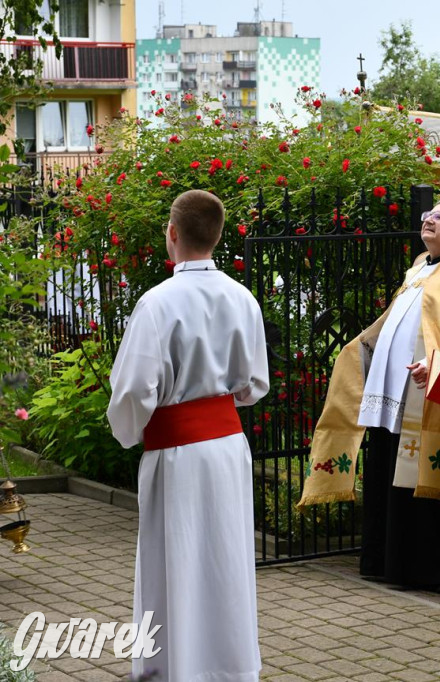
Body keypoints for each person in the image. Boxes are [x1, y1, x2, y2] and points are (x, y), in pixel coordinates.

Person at [107, 189, 270, 682]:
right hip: (225, 448)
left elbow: (135, 389)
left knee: (172, 559)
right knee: (225, 558)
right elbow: (254, 383)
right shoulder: (242, 297)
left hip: (177, 452)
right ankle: (228, 668)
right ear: (217, 236)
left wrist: (128, 430)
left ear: (172, 234)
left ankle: (170, 668)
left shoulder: (157, 303)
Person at [298, 199, 440, 595]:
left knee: (419, 474)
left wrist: (439, 367)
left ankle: (425, 569)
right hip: (392, 390)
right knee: (387, 466)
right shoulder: (420, 267)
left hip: (427, 394)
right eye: (428, 216)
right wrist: (363, 347)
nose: (429, 221)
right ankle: (383, 560)